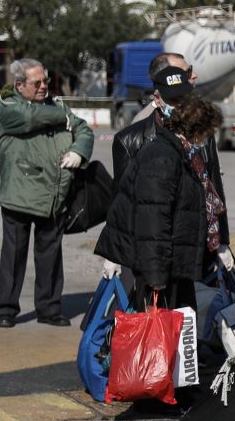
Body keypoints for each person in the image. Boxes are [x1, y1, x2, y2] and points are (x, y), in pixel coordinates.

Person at [95, 95, 225, 313]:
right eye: (209, 130)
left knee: (178, 325)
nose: (209, 137)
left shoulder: (179, 152)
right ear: (197, 127)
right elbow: (152, 221)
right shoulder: (162, 158)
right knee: (159, 333)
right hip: (159, 267)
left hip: (171, 262)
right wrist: (155, 275)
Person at [0, 58, 94, 328]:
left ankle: (49, 308)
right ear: (20, 85)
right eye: (37, 83)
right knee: (13, 256)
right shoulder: (5, 104)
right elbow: (29, 117)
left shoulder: (55, 104)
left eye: (46, 81)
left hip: (54, 195)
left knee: (50, 256)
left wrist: (78, 151)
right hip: (20, 195)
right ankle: (5, 310)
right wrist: (65, 117)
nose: (43, 87)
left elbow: (83, 129)